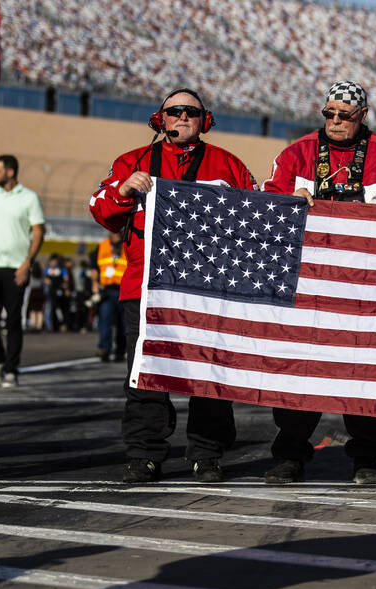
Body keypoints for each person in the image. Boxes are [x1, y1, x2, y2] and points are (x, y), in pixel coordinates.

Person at [261, 80, 376, 486]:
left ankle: (367, 457)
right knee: (299, 372)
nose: (336, 122)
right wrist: (289, 207)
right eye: (330, 114)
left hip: (370, 291)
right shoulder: (296, 153)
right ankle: (289, 454)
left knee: (367, 373)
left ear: (363, 116)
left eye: (345, 115)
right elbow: (264, 208)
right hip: (309, 287)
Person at [89, 87, 257, 483]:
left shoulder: (228, 165)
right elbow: (100, 209)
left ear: (205, 121)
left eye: (191, 112)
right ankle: (145, 454)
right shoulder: (131, 162)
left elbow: (256, 218)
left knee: (210, 376)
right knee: (144, 375)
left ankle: (207, 454)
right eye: (174, 111)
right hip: (145, 288)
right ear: (159, 120)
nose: (182, 118)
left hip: (210, 289)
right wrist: (124, 190)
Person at [0, 155, 44, 389]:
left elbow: (38, 231)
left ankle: (11, 370)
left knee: (13, 320)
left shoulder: (29, 198)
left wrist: (27, 263)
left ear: (10, 172)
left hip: (16, 268)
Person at [96, 230, 128, 361]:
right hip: (107, 291)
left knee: (123, 324)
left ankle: (120, 350)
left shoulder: (127, 245)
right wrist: (94, 282)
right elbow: (94, 265)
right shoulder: (102, 246)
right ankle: (104, 348)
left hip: (123, 290)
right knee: (105, 321)